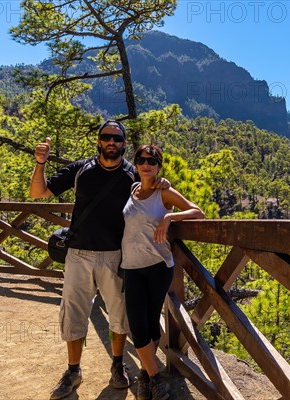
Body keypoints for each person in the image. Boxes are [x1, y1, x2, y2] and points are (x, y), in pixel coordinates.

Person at [30, 120, 167, 400]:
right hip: (78, 254)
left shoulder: (133, 174)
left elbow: (155, 194)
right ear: (98, 141)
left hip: (116, 256)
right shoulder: (80, 170)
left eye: (117, 138)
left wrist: (164, 187)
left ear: (124, 144)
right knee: (74, 313)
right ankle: (73, 371)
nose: (111, 142)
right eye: (106, 137)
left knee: (119, 316)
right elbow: (38, 193)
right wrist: (40, 163)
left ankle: (118, 366)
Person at [121, 144, 204, 400]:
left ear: (159, 166)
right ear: (135, 164)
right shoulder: (133, 190)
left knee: (149, 322)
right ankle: (156, 377)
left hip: (158, 267)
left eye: (152, 161)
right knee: (138, 325)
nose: (146, 164)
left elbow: (197, 212)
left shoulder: (164, 193)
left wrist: (170, 218)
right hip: (131, 267)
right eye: (142, 160)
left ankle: (146, 376)